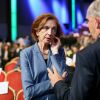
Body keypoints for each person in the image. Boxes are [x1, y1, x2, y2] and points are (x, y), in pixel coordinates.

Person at [47, 0, 100, 100]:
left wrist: (58, 83)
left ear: (97, 23)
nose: (88, 26)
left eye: (88, 21)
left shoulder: (87, 56)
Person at [20, 13, 69, 100]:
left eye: (53, 29)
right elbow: (28, 92)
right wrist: (54, 82)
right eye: (46, 28)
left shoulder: (59, 51)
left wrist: (54, 51)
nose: (50, 33)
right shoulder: (26, 54)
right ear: (37, 32)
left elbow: (64, 78)